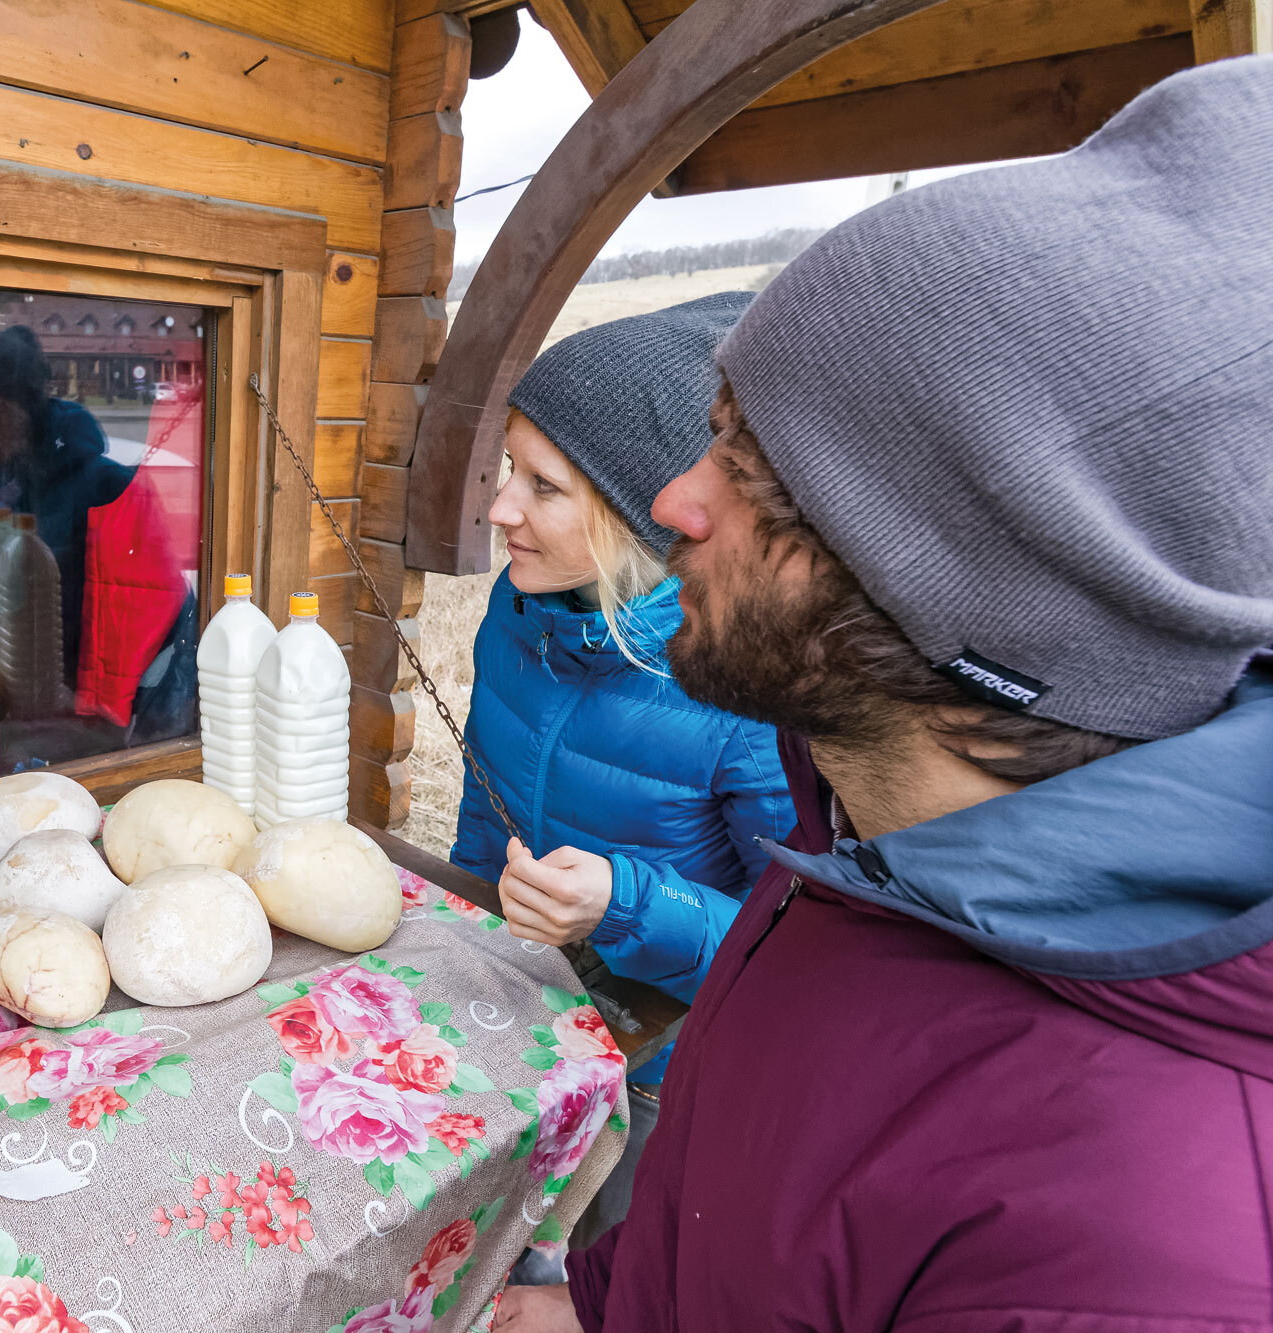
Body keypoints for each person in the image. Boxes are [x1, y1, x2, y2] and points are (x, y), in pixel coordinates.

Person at [496, 56, 1273, 1333]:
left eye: (748, 465)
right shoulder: (859, 837)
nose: (677, 502)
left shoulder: (1141, 1256)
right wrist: (597, 1306)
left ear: (953, 568)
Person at [451, 294, 794, 1235]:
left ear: (641, 513)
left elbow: (796, 956)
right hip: (521, 1037)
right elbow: (489, 819)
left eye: (544, 487)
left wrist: (627, 903)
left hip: (660, 1082)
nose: (501, 507)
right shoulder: (519, 616)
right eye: (510, 471)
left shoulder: (742, 689)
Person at [0, 326, 195, 768]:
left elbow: (166, 616)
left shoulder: (108, 488)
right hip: (29, 710)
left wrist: (148, 746)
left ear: (11, 404)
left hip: (99, 729)